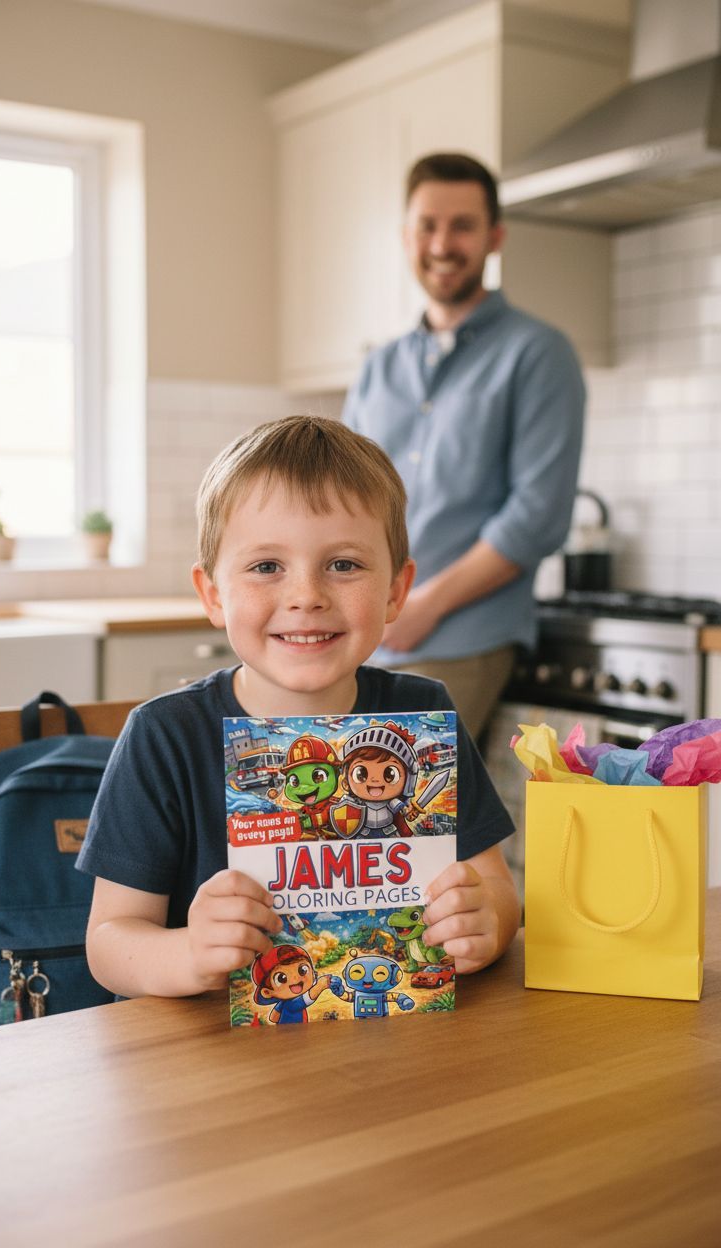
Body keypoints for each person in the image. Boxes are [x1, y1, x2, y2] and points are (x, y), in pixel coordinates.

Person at [77, 415, 520, 1001]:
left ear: (395, 592)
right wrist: (189, 952)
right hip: (213, 1064)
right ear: (212, 593)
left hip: (396, 1048)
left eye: (344, 565)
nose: (307, 595)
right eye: (267, 567)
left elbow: (497, 890)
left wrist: (483, 924)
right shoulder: (165, 736)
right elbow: (110, 943)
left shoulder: (423, 712)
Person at [343, 152, 585, 740]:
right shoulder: (379, 367)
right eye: (428, 225)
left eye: (463, 225)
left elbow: (536, 518)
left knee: (399, 816)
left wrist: (421, 606)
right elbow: (340, 501)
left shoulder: (538, 354)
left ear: (494, 237)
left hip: (457, 640)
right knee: (334, 820)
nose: (442, 243)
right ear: (407, 237)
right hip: (365, 637)